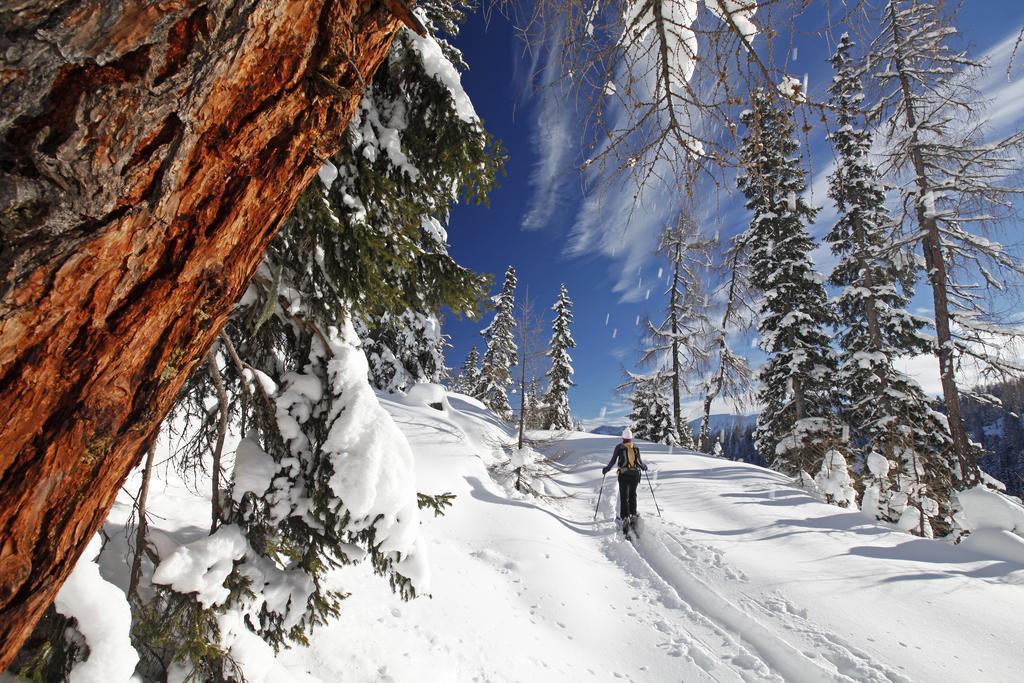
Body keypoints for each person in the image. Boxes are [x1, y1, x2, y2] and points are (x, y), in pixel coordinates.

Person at [602, 428, 647, 530]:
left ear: (623, 437)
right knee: (633, 494)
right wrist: (644, 466)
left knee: (624, 496)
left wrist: (607, 469)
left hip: (624, 474)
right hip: (635, 474)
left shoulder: (619, 447)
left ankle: (625, 517)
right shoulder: (635, 447)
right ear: (631, 437)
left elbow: (613, 461)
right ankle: (633, 515)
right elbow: (639, 462)